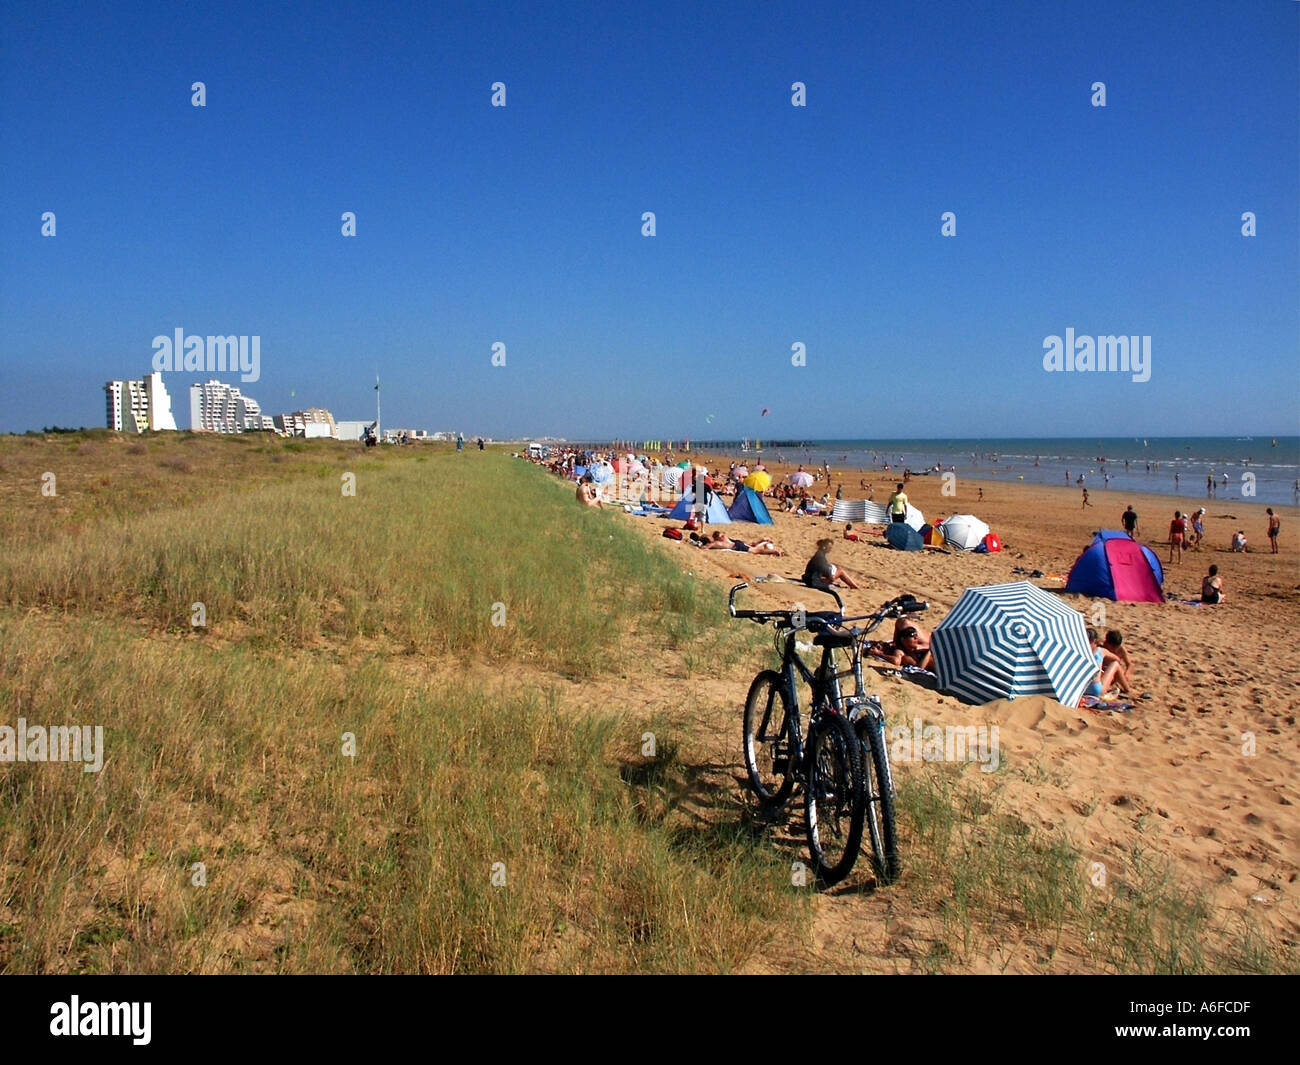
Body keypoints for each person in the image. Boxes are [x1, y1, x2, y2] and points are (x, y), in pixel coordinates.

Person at [1083, 628, 1125, 699]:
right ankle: (1127, 689)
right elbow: (1117, 659)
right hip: (1095, 690)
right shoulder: (1100, 651)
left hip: (1081, 690)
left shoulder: (1078, 651)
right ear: (1096, 642)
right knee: (1115, 664)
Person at [704, 531, 782, 555]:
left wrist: (701, 546)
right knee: (751, 545)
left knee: (756, 551)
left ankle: (775, 551)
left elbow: (706, 547)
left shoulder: (717, 542)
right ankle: (763, 541)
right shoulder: (724, 536)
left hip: (736, 546)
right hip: (737, 542)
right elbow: (708, 535)